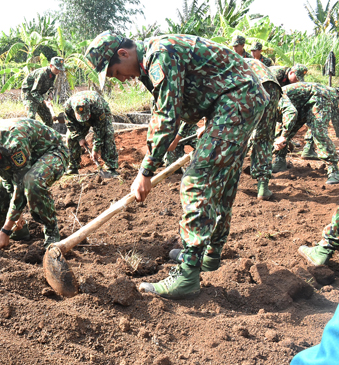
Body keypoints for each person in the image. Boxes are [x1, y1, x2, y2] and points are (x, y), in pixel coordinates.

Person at [85, 31, 268, 299]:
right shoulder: (155, 55)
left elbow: (166, 115)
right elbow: (183, 97)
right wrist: (183, 131)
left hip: (236, 101)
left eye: (115, 72)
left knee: (196, 181)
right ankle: (210, 253)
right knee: (222, 180)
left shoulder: (159, 55)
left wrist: (145, 171)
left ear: (124, 54)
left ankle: (187, 274)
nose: (121, 79)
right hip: (238, 100)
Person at [0, 118, 69, 249]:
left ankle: (51, 231)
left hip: (52, 153)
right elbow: (7, 177)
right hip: (25, 161)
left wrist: (6, 229)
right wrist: (14, 217)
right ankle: (19, 231)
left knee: (32, 182)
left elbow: (20, 185)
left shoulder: (12, 143)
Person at [273, 82, 339, 184]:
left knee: (319, 132)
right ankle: (280, 161)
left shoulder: (274, 98)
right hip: (301, 104)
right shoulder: (261, 107)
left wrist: (283, 136)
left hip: (319, 96)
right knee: (281, 129)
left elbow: (291, 113)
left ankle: (333, 170)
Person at [244, 58, 282, 200]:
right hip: (273, 89)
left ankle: (223, 181)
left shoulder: (216, 68)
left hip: (253, 86)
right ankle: (263, 187)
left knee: (232, 134)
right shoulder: (232, 59)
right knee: (264, 138)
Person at [63, 90, 118, 176]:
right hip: (78, 120)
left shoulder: (96, 104)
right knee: (70, 137)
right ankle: (73, 167)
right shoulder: (68, 107)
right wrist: (79, 138)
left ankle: (110, 167)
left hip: (100, 114)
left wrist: (95, 149)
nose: (85, 119)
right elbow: (70, 124)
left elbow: (100, 128)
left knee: (107, 133)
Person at [21, 57, 65, 127]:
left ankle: (46, 136)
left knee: (49, 119)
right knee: (31, 118)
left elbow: (51, 86)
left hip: (39, 94)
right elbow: (33, 91)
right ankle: (30, 136)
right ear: (51, 66)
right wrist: (45, 102)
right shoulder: (42, 74)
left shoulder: (53, 74)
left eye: (60, 69)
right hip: (29, 94)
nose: (58, 71)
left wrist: (50, 93)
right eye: (56, 69)